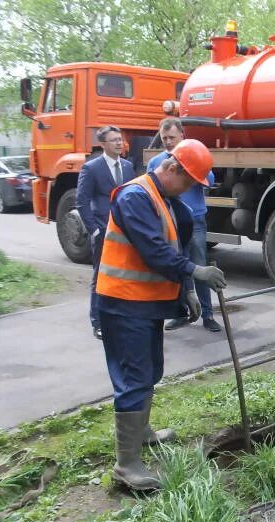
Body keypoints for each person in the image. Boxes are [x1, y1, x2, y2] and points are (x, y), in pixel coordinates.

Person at [96, 139, 227, 490]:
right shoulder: (135, 197)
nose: (188, 190)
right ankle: (127, 465)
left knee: (151, 369)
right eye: (187, 182)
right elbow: (154, 252)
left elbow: (172, 244)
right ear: (170, 168)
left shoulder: (166, 200)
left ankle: (143, 433)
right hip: (123, 304)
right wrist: (196, 273)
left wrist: (184, 290)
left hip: (146, 302)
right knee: (134, 378)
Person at [147, 118, 222, 333]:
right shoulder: (157, 163)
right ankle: (180, 313)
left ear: (182, 136)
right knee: (178, 268)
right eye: (164, 139)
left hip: (195, 221)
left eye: (172, 138)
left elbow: (207, 176)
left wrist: (188, 162)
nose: (168, 142)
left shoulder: (194, 156)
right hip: (171, 222)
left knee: (200, 265)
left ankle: (207, 315)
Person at [76, 126, 134, 340]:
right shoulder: (91, 168)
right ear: (103, 144)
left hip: (126, 232)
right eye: (113, 140)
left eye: (120, 139)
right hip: (104, 232)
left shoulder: (128, 167)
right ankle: (98, 322)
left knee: (125, 275)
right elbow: (81, 202)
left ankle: (121, 317)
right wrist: (94, 230)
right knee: (101, 277)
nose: (119, 143)